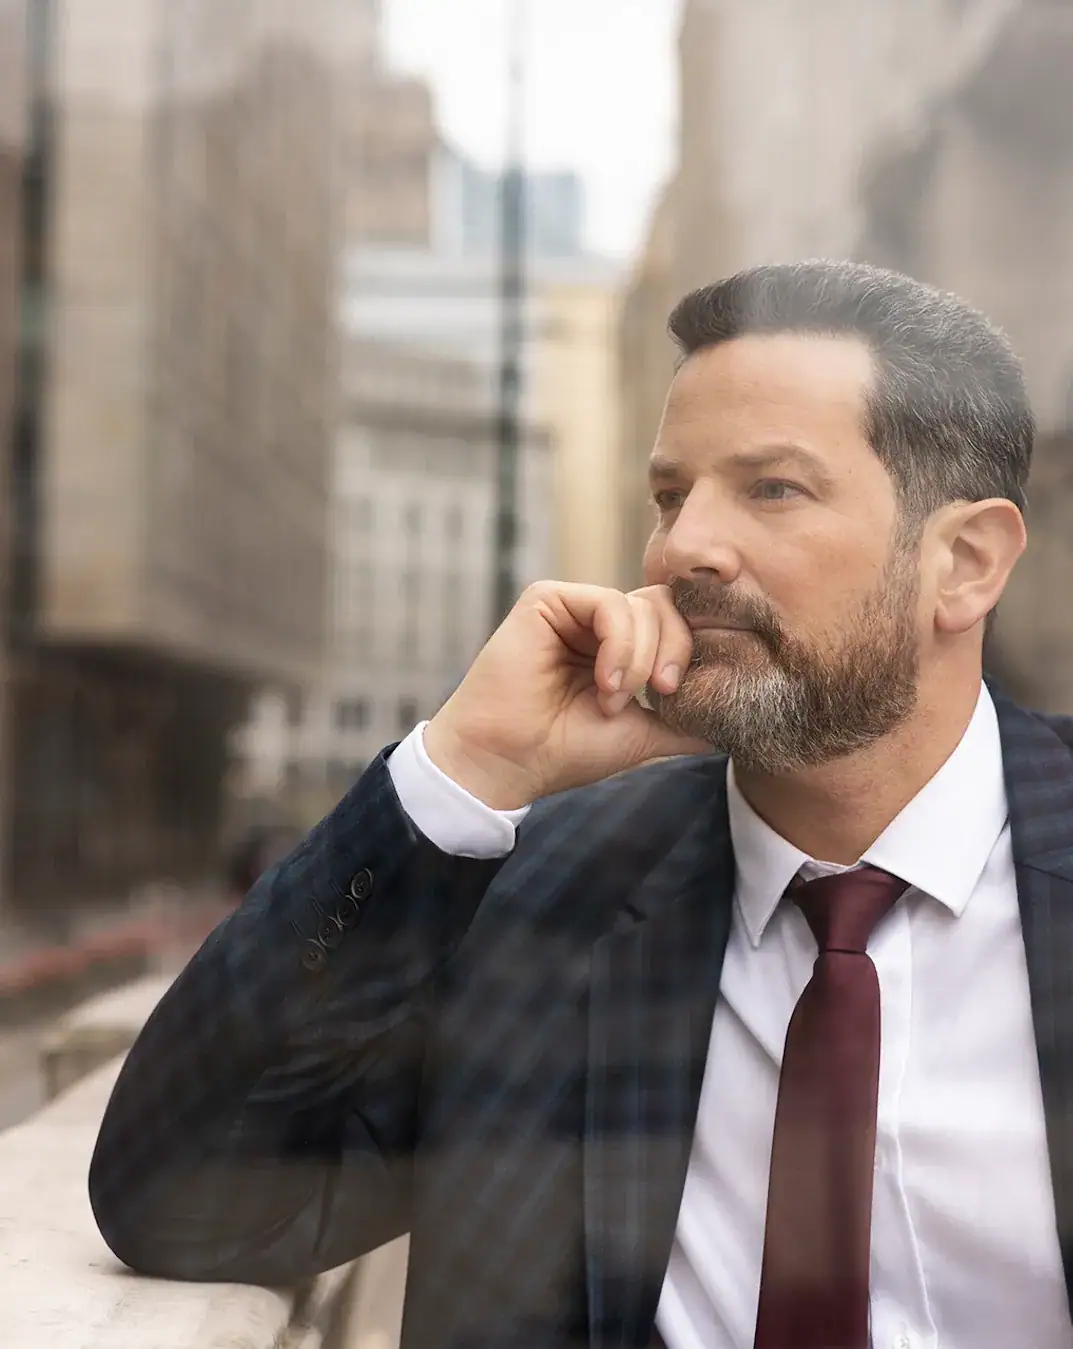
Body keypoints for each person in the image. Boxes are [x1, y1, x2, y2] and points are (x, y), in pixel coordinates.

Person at [87, 261, 1073, 1349]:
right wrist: (465, 763)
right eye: (669, 495)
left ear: (964, 562)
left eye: (770, 488)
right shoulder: (544, 900)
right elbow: (179, 1197)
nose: (680, 545)